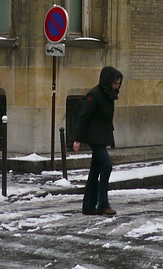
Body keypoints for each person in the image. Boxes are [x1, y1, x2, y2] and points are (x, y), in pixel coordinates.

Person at [72, 65, 123, 216]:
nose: (117, 86)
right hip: (94, 138)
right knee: (106, 165)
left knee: (95, 171)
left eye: (118, 84)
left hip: (101, 137)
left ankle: (88, 206)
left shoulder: (108, 94)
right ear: (108, 81)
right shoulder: (94, 95)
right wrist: (78, 139)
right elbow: (84, 117)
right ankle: (102, 204)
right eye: (115, 83)